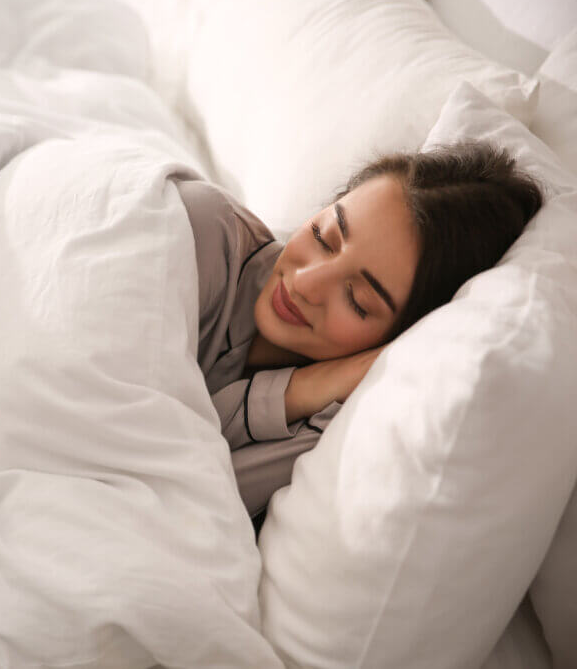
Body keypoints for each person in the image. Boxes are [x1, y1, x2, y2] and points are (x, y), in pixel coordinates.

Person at [179, 140, 544, 534]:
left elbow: (187, 495)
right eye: (324, 237)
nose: (305, 282)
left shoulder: (338, 430)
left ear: (402, 335)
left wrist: (296, 394)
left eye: (358, 299)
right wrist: (295, 390)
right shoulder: (200, 234)